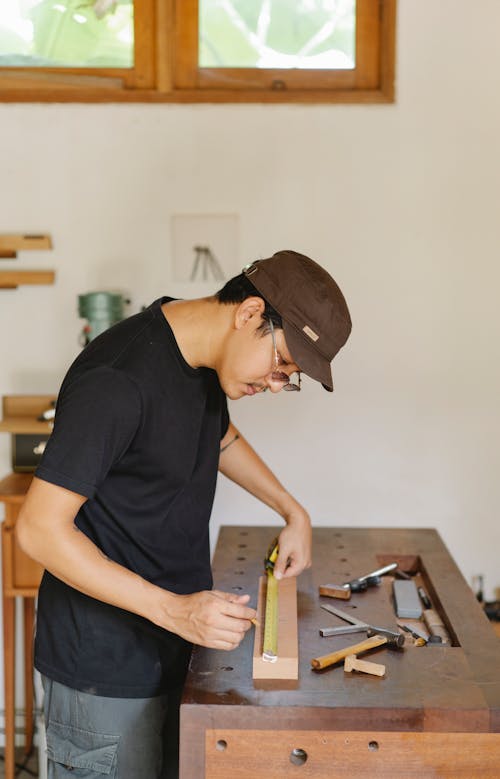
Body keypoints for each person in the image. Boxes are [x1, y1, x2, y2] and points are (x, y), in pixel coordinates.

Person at [16, 249, 351, 778]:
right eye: (282, 364)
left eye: (290, 376)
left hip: (177, 641)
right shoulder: (118, 378)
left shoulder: (201, 358)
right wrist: (173, 609)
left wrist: (293, 511)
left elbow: (218, 438)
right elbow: (38, 531)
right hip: (104, 672)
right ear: (249, 314)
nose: (276, 383)